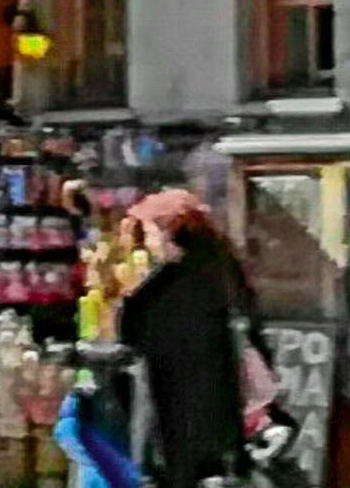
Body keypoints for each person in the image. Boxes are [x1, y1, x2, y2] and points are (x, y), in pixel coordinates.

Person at [115, 191, 252, 488]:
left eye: (150, 232)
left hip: (177, 405)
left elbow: (132, 329)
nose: (148, 242)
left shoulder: (168, 282)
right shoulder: (220, 266)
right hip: (219, 404)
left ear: (168, 232)